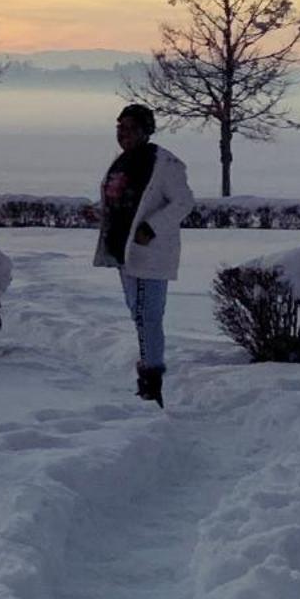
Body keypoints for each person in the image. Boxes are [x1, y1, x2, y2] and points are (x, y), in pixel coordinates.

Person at [93, 102, 194, 407]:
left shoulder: (164, 164)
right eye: (119, 127)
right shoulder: (122, 162)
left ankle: (151, 382)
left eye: (130, 128)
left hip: (149, 253)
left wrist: (151, 228)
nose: (123, 134)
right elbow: (126, 203)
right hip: (122, 251)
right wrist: (100, 213)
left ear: (146, 131)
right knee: (139, 315)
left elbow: (183, 202)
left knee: (148, 317)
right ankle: (147, 380)